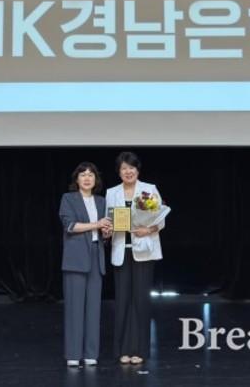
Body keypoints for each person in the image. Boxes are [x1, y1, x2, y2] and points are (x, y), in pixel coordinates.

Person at [105, 152, 165, 365]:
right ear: (119, 172)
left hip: (144, 250)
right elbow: (108, 221)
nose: (128, 172)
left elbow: (160, 221)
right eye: (124, 168)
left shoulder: (149, 189)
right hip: (121, 251)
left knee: (141, 301)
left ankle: (140, 349)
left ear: (137, 170)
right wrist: (107, 230)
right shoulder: (112, 192)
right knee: (122, 301)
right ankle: (122, 350)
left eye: (131, 168)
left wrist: (148, 230)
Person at [58, 162, 112, 367]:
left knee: (93, 309)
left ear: (96, 180)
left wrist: (106, 232)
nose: (87, 178)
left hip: (96, 256)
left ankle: (91, 353)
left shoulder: (101, 201)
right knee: (74, 308)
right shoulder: (68, 198)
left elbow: (102, 232)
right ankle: (73, 354)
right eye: (83, 175)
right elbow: (70, 226)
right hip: (75, 258)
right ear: (77, 179)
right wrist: (97, 224)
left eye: (91, 175)